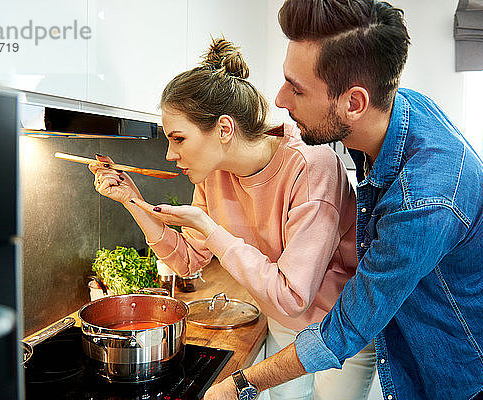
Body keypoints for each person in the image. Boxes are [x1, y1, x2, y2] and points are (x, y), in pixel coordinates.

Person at [203, 1, 483, 399]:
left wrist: (242, 382)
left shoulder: (423, 202)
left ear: (353, 103)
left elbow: (347, 328)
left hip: (470, 357)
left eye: (297, 88)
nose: (279, 99)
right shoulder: (392, 109)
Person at [90, 37, 376, 400]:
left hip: (340, 328)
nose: (169, 153)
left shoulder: (312, 165)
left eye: (178, 139)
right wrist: (132, 201)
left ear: (224, 129)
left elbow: (293, 294)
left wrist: (209, 229)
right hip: (284, 323)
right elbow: (187, 261)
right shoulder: (213, 172)